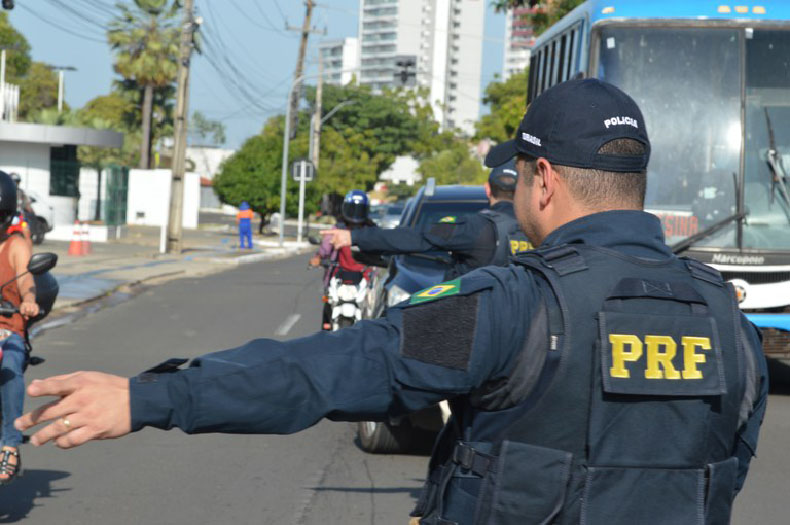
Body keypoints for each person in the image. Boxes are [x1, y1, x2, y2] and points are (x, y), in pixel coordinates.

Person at [15, 79, 767, 524]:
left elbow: (326, 372)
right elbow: (724, 471)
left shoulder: (517, 305)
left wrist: (150, 396)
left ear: (541, 179)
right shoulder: (730, 323)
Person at [322, 160, 532, 280]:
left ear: (488, 189)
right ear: (521, 190)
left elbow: (414, 237)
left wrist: (354, 236)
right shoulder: (538, 230)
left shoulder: (475, 228)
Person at [0, 171, 40, 485]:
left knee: (11, 363)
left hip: (7, 325)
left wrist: (27, 300)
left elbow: (26, 279)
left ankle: (10, 444)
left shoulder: (14, 244)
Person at [309, 190, 374, 329]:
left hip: (365, 278)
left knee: (373, 313)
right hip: (339, 276)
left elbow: (381, 250)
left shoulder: (371, 229)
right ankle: (326, 328)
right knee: (329, 300)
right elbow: (326, 248)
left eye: (359, 210)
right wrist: (318, 257)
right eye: (353, 209)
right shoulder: (338, 228)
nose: (355, 214)